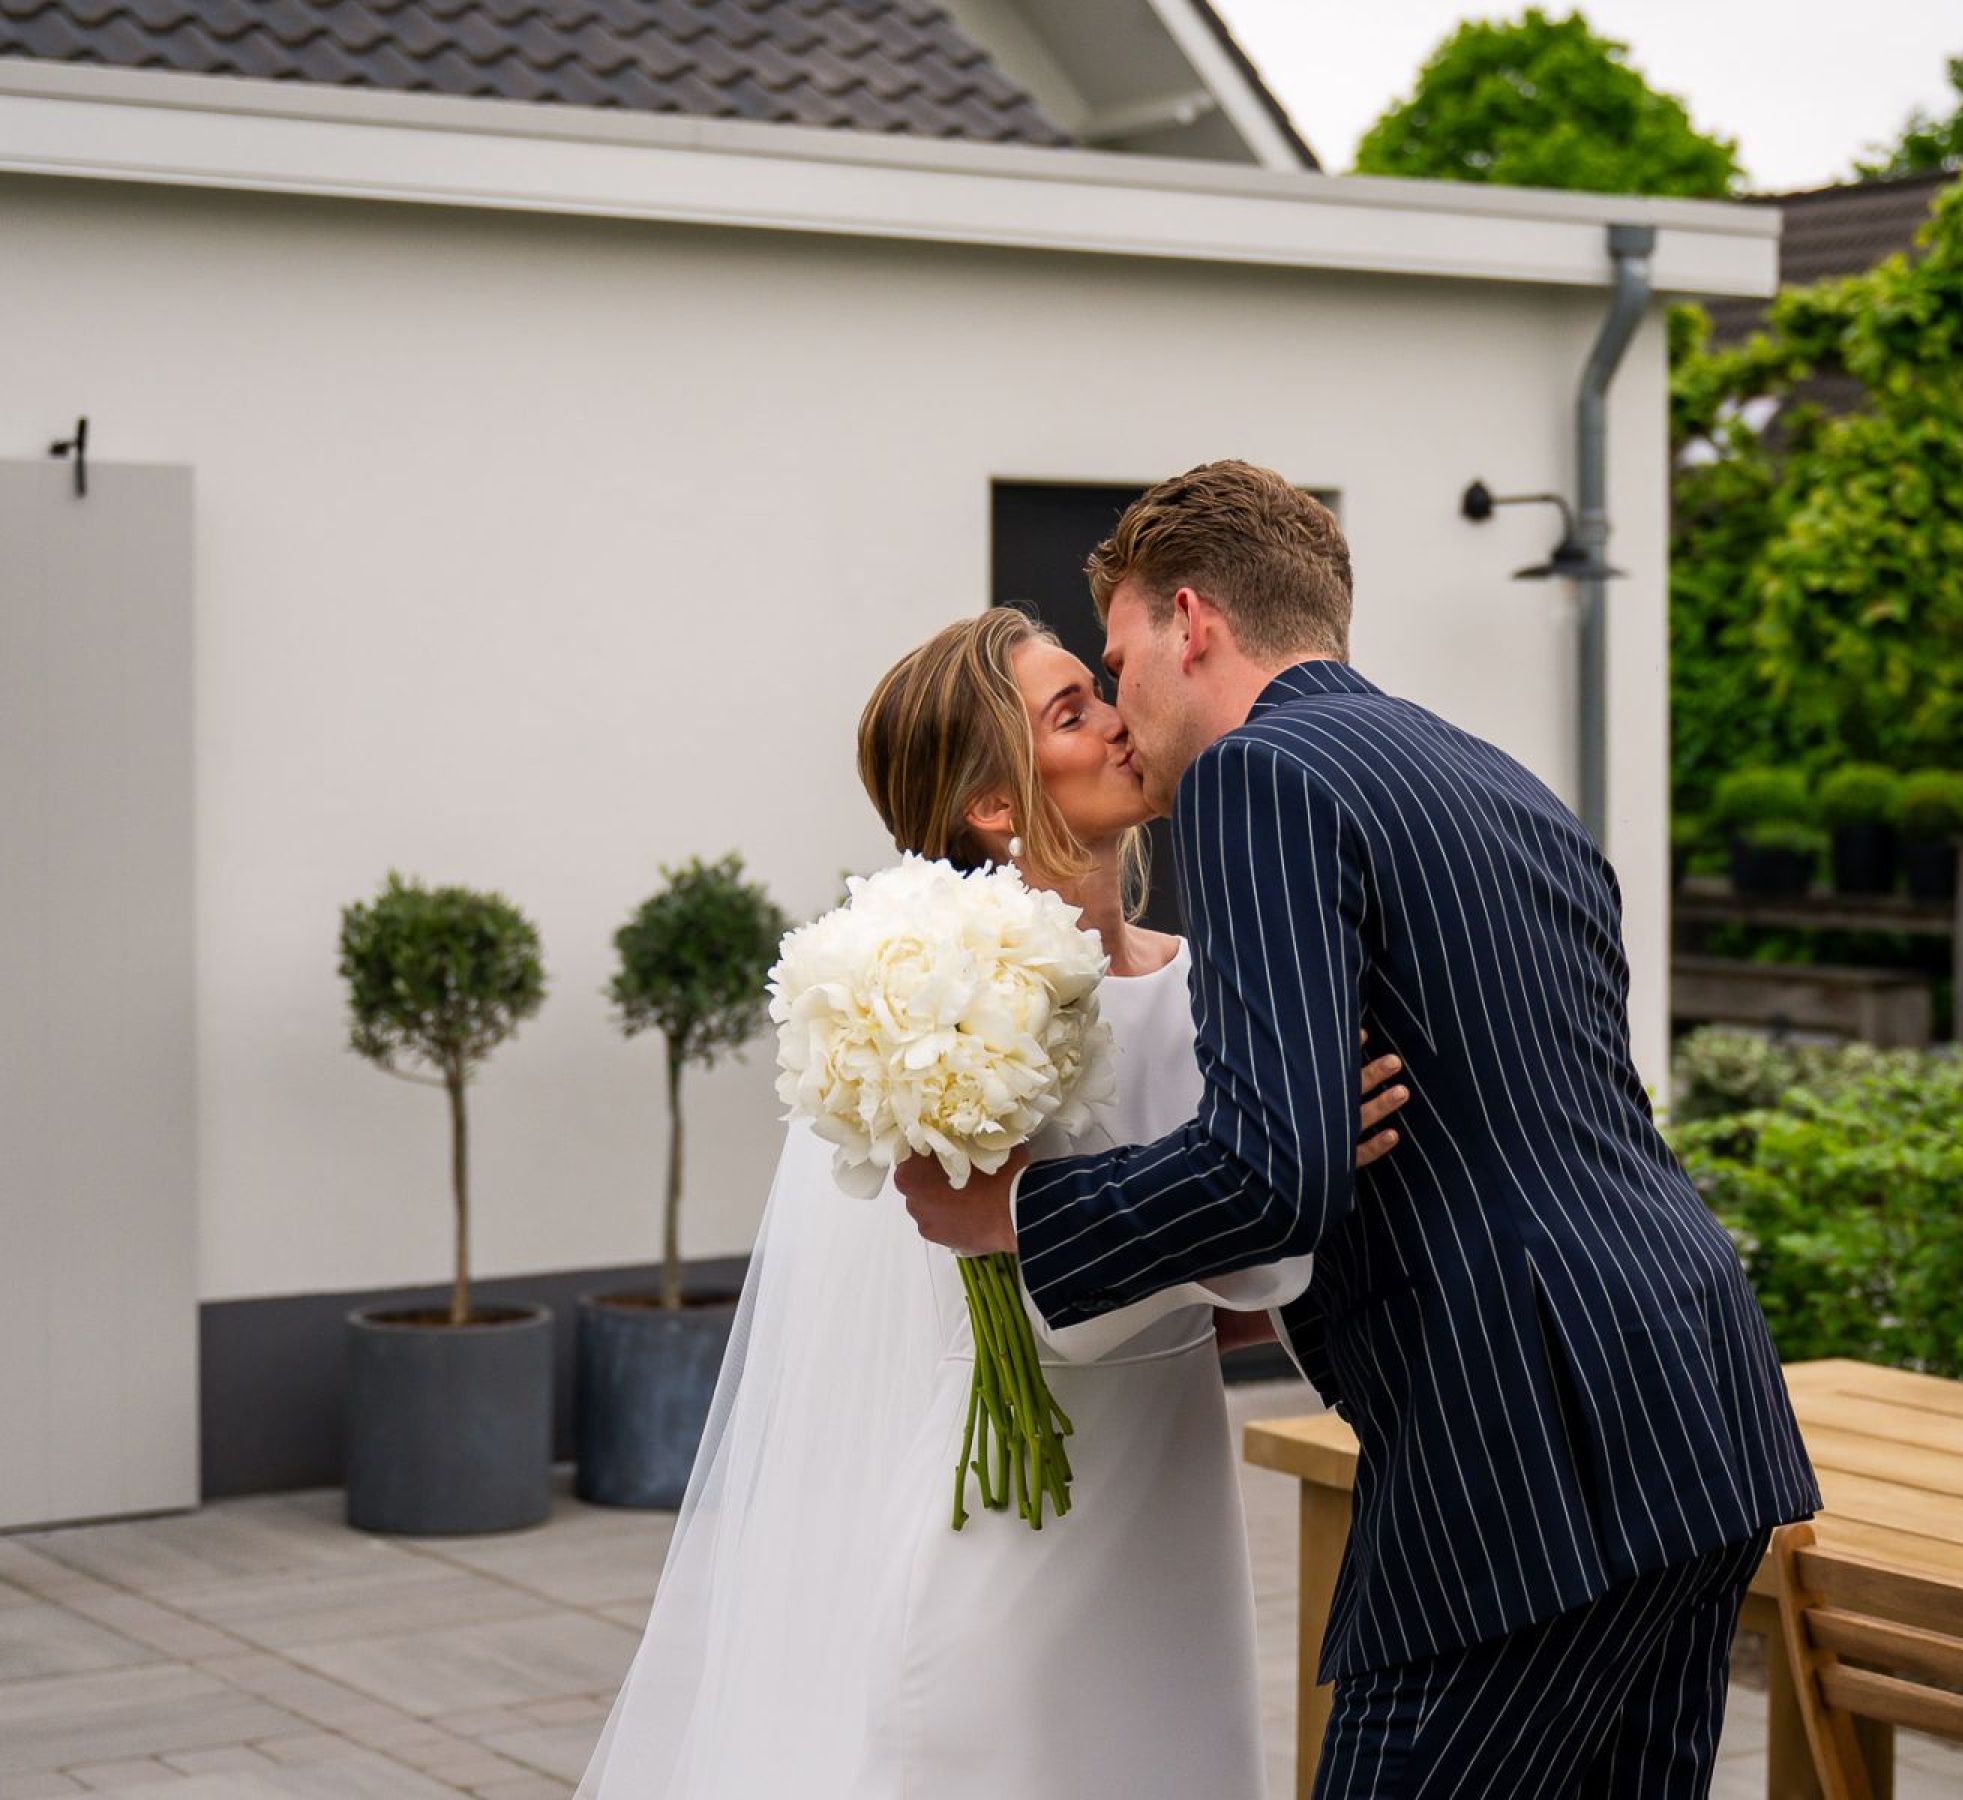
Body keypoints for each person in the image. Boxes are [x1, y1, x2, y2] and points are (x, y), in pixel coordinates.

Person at [904, 460, 1819, 1798]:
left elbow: (1275, 1173)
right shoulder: (1502, 779)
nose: (1124, 706)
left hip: (1517, 1451)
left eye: (1120, 654)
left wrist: (1020, 1220)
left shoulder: (1257, 777)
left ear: (1192, 623)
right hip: (1704, 1404)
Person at [576, 606, 1410, 1797]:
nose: (1122, 722)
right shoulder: (964, 1017)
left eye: (1097, 691)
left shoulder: (1204, 979)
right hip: (1017, 1527)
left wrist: (1281, 1197)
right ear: (995, 807)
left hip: (1174, 1511)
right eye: (1073, 712)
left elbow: (1229, 1284)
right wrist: (1294, 1191)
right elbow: (1042, 1304)